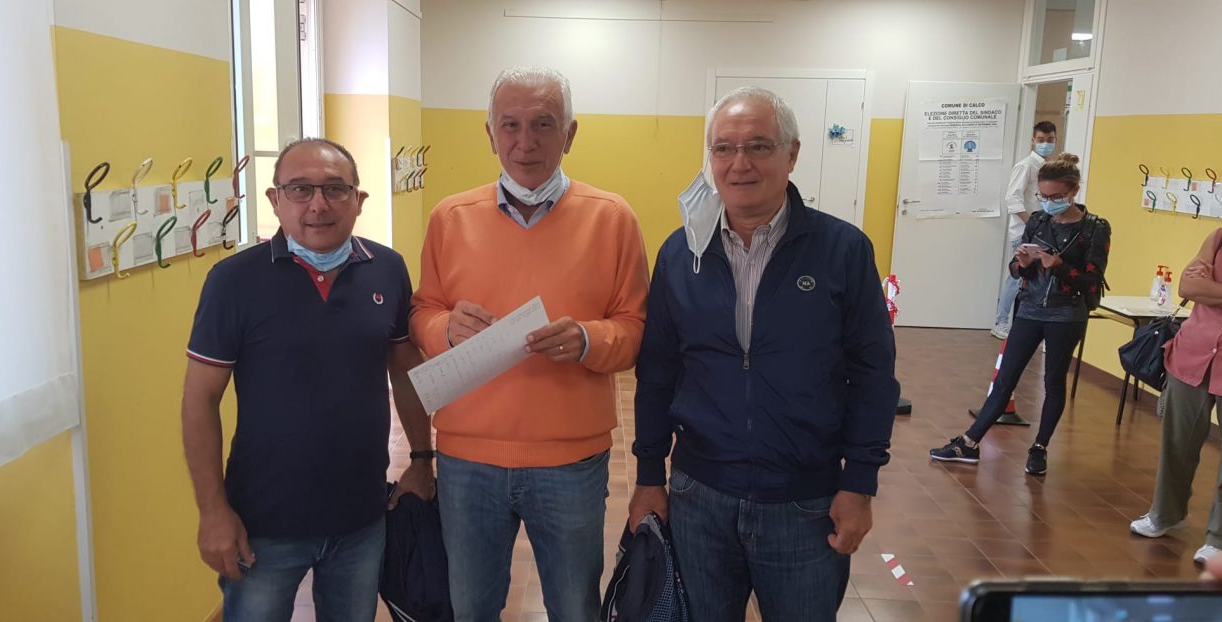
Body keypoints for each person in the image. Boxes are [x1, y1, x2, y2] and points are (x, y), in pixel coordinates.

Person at [627, 86, 900, 621]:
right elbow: (657, 372)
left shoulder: (842, 250)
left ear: (791, 154)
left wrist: (859, 483)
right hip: (699, 495)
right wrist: (648, 476)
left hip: (805, 502)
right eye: (723, 148)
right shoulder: (680, 254)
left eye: (758, 146)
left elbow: (873, 375)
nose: (739, 163)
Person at [409, 66, 649, 621]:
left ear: (570, 134)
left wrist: (589, 339)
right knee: (471, 609)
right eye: (510, 125)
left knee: (574, 608)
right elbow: (423, 310)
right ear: (489, 134)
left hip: (571, 460)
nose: (525, 142)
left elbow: (635, 328)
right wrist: (444, 329)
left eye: (544, 124)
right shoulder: (450, 217)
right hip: (468, 459)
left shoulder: (612, 218)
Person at [181, 138, 435, 622]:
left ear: (359, 200)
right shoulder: (233, 281)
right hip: (262, 525)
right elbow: (200, 400)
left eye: (335, 189)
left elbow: (405, 370)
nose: (318, 204)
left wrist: (422, 459)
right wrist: (213, 511)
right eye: (299, 189)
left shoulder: (387, 269)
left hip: (361, 518)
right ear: (275, 200)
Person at [931, 153, 1111, 476]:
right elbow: (1016, 270)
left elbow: (1092, 281)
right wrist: (1022, 264)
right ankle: (969, 442)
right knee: (1005, 379)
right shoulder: (1039, 221)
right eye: (1043, 196)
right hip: (1029, 310)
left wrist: (1059, 266)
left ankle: (1039, 447)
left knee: (1053, 381)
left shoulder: (1094, 228)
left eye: (1056, 196)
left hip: (1066, 314)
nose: (1049, 203)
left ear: (1073, 191)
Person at [1130, 226, 1222, 566]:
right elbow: (1188, 287)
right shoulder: (1221, 238)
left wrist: (1214, 293)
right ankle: (1165, 514)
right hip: (1192, 355)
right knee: (1177, 443)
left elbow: (1202, 290)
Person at [993, 121, 1057, 339]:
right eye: (1041, 140)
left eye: (1050, 140)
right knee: (1017, 276)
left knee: (1035, 278)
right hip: (1024, 232)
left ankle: (1024, 324)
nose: (1045, 144)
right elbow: (1013, 198)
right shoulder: (1026, 165)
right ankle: (1001, 321)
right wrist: (1031, 224)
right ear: (1033, 141)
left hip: (1043, 232)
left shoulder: (1048, 167)